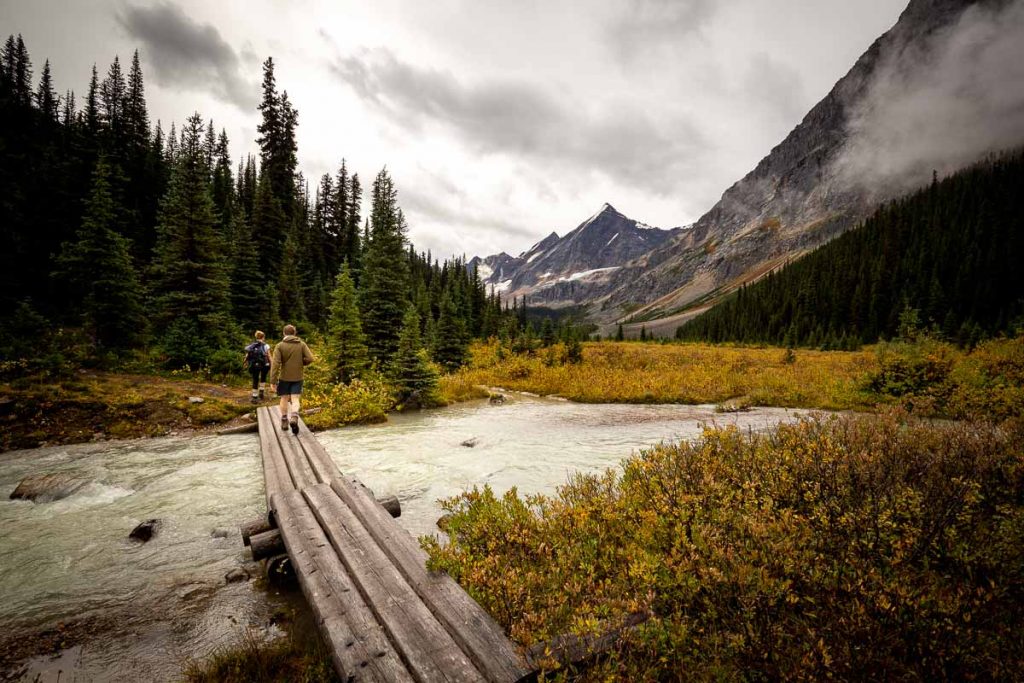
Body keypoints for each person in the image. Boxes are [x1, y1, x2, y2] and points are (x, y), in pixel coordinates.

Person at [269, 323, 315, 435]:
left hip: (284, 377)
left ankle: (284, 420)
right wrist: (302, 363)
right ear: (294, 333)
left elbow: (275, 364)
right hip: (298, 377)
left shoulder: (279, 346)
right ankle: (294, 417)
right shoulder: (301, 344)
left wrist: (273, 381)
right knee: (295, 398)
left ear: (284, 333)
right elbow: (310, 358)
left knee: (284, 398)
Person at [243, 331, 271, 404]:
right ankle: (261, 392)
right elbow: (269, 356)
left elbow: (247, 355)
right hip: (264, 364)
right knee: (263, 377)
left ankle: (254, 396)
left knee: (255, 379)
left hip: (255, 364)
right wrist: (272, 363)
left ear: (256, 337)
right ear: (263, 337)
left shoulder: (252, 345)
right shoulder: (266, 345)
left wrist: (245, 362)